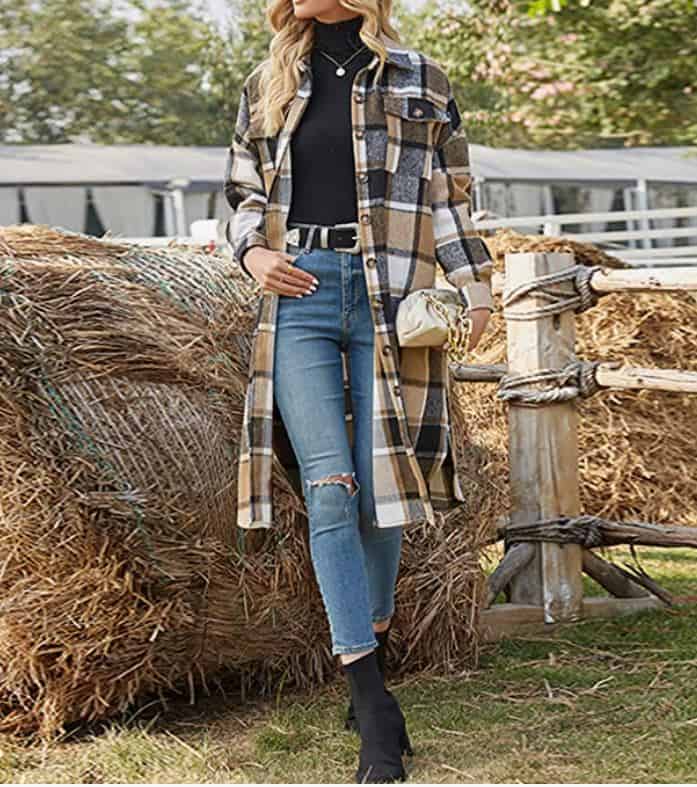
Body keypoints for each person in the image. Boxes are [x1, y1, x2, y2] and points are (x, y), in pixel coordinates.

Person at [223, 0, 494, 781]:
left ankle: (369, 640)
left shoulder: (421, 79)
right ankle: (370, 698)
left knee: (385, 490)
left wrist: (474, 286)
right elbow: (243, 192)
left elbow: (447, 194)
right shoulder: (268, 80)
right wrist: (251, 254)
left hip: (392, 296)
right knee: (331, 486)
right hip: (298, 293)